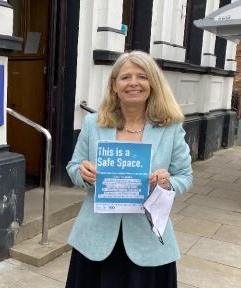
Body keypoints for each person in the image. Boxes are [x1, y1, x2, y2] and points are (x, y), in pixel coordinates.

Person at [65, 50, 193, 288]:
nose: (134, 83)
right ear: (114, 85)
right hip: (96, 240)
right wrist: (83, 173)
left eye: (142, 76)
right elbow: (73, 167)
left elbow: (184, 177)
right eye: (125, 77)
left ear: (152, 83)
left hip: (147, 240)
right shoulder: (94, 124)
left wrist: (166, 184)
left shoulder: (171, 127)